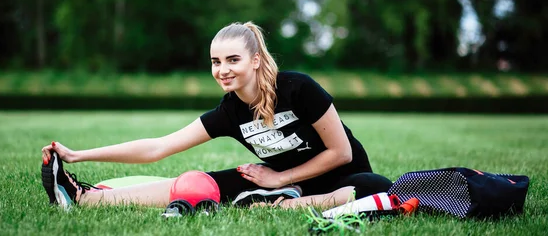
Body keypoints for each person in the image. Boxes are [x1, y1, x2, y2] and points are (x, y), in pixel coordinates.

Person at [41, 21, 392, 210]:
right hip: (283, 183)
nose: (222, 70)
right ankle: (86, 197)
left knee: (378, 187)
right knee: (206, 184)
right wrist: (79, 155)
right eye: (215, 61)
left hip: (343, 183)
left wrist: (279, 181)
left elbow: (341, 153)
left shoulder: (298, 88)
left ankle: (280, 204)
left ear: (255, 60)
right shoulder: (230, 112)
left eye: (233, 60)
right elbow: (158, 148)